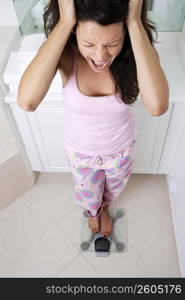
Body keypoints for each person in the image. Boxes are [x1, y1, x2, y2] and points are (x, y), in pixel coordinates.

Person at [17, 0, 169, 237]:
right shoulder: (67, 55)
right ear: (75, 33)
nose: (100, 56)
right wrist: (67, 20)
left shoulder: (137, 54)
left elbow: (158, 106)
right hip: (81, 154)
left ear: (126, 35)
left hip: (121, 151)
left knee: (111, 191)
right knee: (87, 195)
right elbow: (27, 101)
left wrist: (134, 21)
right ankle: (93, 212)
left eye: (112, 43)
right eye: (88, 43)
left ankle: (104, 207)